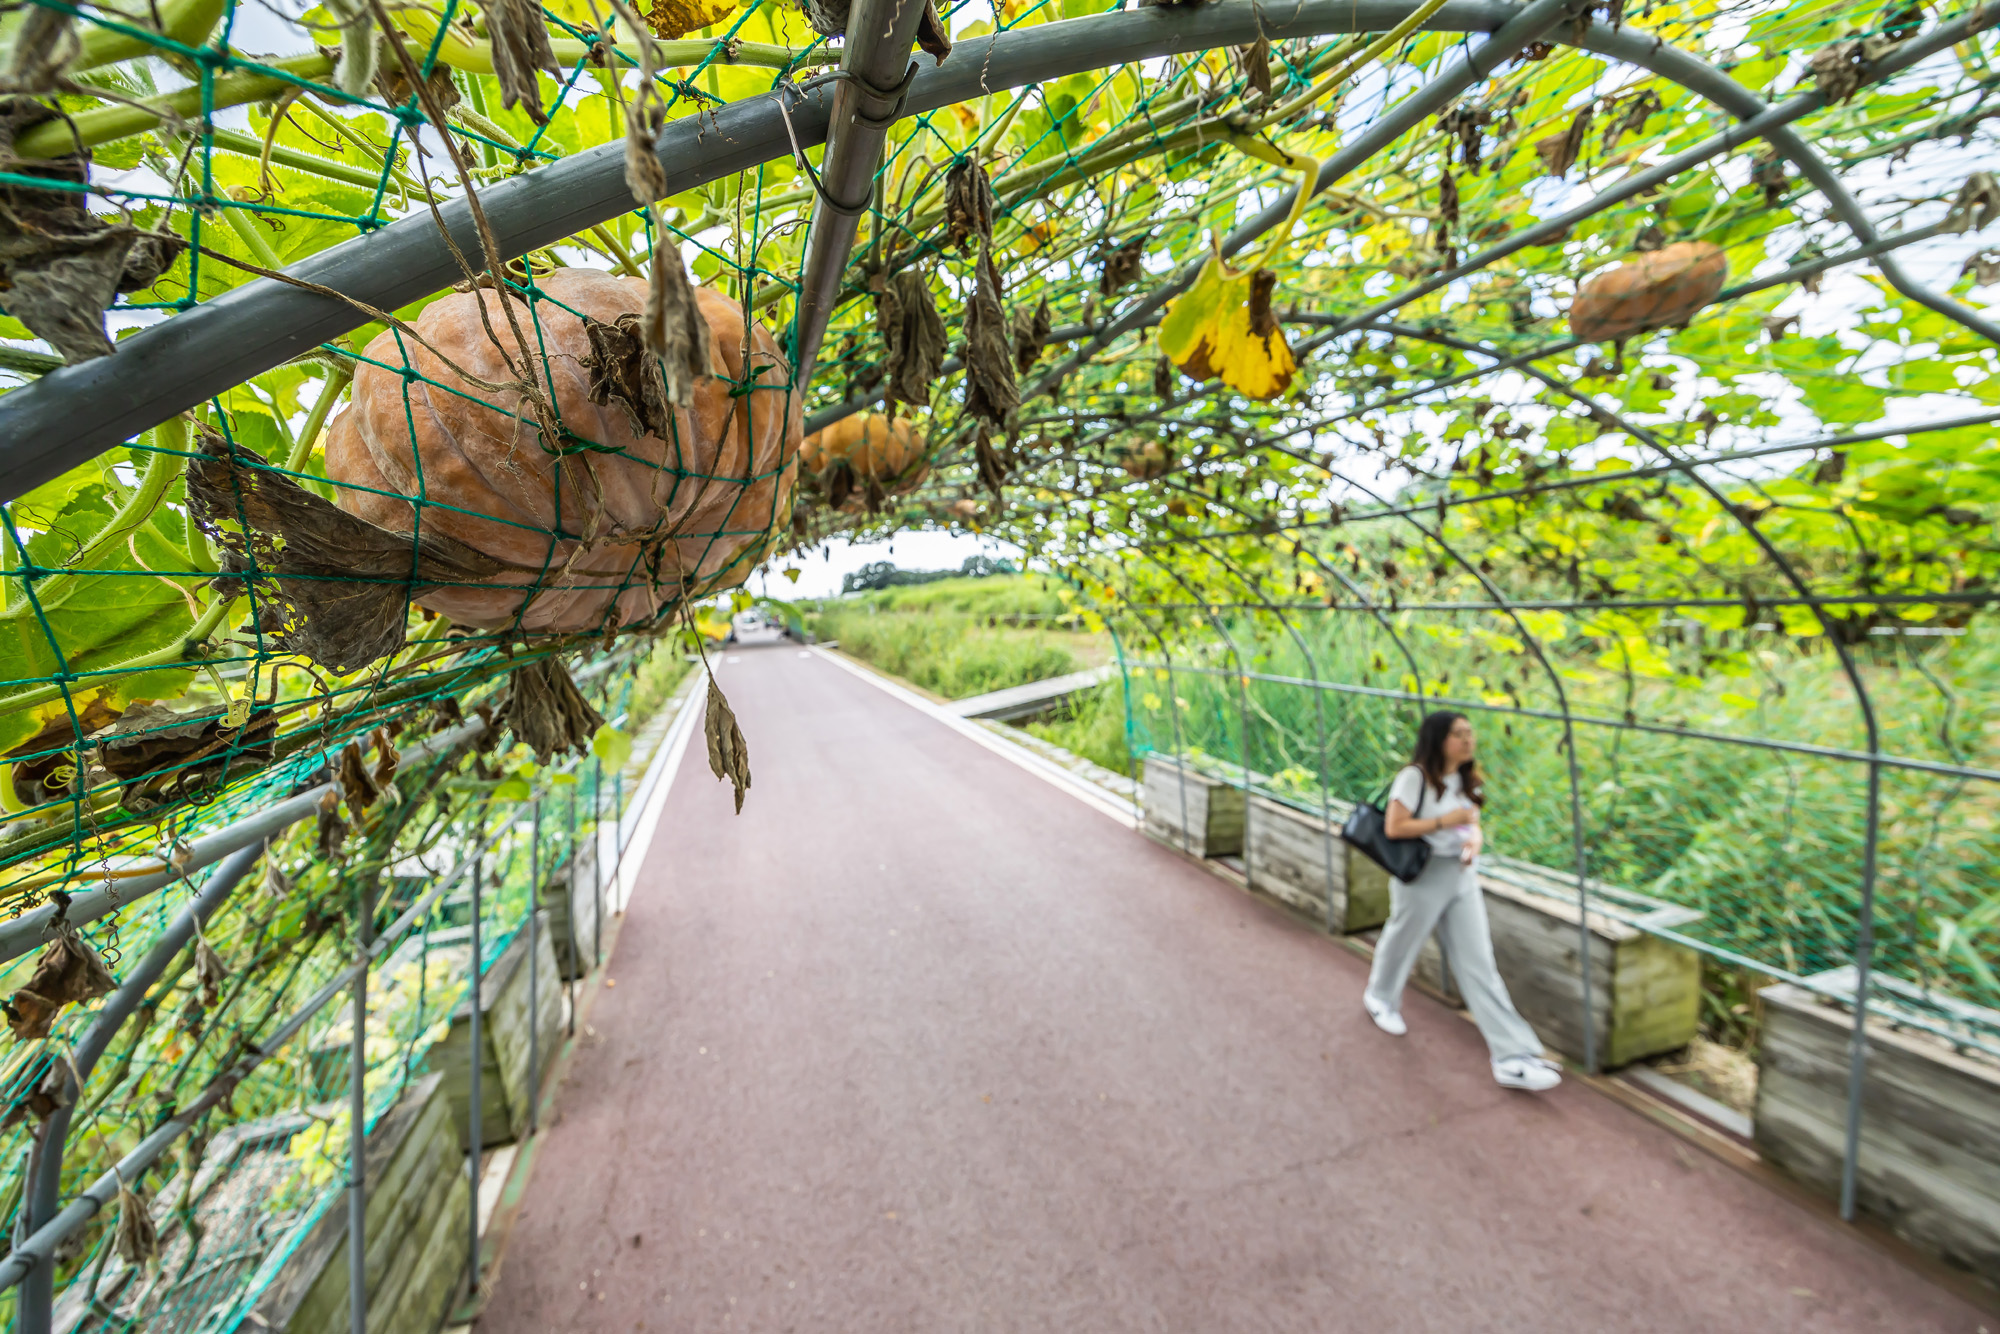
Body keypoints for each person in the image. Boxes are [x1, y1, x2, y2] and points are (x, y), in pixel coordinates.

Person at [1361, 711, 1562, 1092]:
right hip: (1423, 874)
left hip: (1461, 875)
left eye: (1470, 733)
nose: (1468, 741)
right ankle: (1380, 997)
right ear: (1438, 739)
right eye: (1458, 734)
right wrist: (1444, 821)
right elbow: (1394, 826)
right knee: (1403, 941)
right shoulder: (1414, 777)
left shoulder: (1467, 779)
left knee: (1479, 964)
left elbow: (1472, 823)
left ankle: (1511, 1056)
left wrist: (1473, 841)